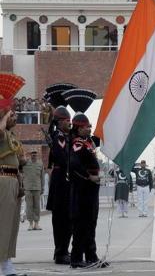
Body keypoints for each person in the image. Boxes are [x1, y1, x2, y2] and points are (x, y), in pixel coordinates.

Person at [69, 112, 109, 269]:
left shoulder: (89, 141)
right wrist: (88, 176)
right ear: (79, 129)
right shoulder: (77, 143)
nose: (90, 129)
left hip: (92, 187)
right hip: (82, 187)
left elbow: (101, 135)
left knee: (91, 222)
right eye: (87, 127)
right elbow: (74, 164)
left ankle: (91, 256)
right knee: (81, 223)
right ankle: (77, 258)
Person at [0, 72, 27, 276]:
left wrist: (21, 183)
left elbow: (19, 163)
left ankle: (6, 264)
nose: (15, 117)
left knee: (11, 225)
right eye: (12, 115)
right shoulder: (2, 133)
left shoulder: (10, 135)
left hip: (13, 182)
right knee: (2, 223)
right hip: (1, 181)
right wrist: (5, 113)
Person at [46, 105, 72, 265]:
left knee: (65, 218)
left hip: (63, 179)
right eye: (67, 121)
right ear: (60, 122)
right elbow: (63, 159)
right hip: (61, 180)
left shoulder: (62, 136)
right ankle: (61, 252)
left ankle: (62, 250)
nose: (70, 124)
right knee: (62, 218)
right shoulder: (60, 137)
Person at [22, 150, 45, 231]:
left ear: (37, 155)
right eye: (32, 154)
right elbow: (21, 173)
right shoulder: (25, 163)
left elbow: (42, 177)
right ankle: (30, 224)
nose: (34, 155)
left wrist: (42, 187)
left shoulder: (40, 164)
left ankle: (36, 223)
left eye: (35, 154)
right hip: (28, 188)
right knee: (29, 206)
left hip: (37, 188)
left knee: (37, 206)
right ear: (30, 155)